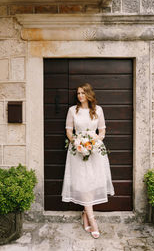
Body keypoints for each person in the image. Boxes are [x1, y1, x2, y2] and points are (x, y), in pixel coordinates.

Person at [61, 83, 115, 238]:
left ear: (89, 94)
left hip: (95, 150)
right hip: (77, 151)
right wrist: (76, 143)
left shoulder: (98, 110)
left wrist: (94, 143)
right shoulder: (73, 110)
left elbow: (102, 131)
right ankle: (93, 221)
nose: (80, 96)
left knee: (92, 181)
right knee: (81, 181)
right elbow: (69, 130)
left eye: (83, 93)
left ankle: (85, 214)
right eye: (78, 93)